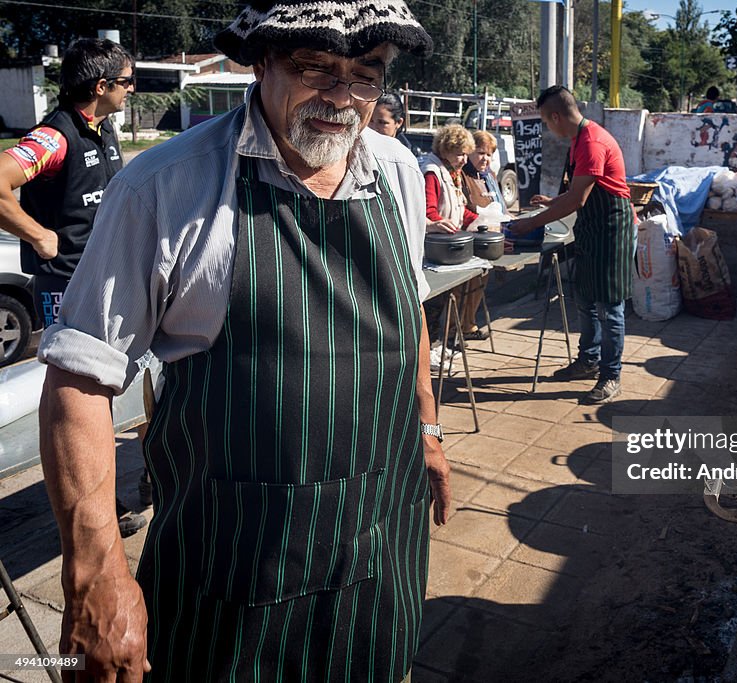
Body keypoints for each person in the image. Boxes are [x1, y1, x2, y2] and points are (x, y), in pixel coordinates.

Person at [36, 1, 452, 680]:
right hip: (237, 563)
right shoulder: (166, 185)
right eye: (314, 67)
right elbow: (80, 379)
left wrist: (428, 429)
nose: (341, 98)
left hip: (382, 542)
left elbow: (408, 312)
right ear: (260, 60)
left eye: (366, 73)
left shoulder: (397, 169)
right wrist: (95, 574)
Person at [0, 37, 147, 538]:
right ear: (102, 86)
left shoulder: (101, 129)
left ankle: (154, 476)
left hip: (108, 276)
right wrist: (39, 234)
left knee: (139, 382)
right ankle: (95, 512)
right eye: (128, 82)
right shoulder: (55, 137)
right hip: (68, 285)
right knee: (82, 403)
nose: (133, 90)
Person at [505, 85, 636, 405]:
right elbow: (580, 190)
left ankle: (610, 375)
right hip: (591, 229)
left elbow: (579, 198)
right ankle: (588, 361)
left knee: (609, 306)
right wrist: (553, 201)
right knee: (585, 299)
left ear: (555, 116)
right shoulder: (579, 138)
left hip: (611, 229)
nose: (549, 129)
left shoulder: (592, 142)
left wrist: (530, 223)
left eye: (547, 123)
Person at [420, 123, 490, 341]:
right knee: (434, 302)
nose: (464, 160)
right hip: (435, 248)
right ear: (445, 149)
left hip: (449, 245)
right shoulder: (432, 173)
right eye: (460, 154)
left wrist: (481, 221)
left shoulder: (452, 172)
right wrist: (442, 224)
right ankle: (432, 345)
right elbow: (428, 210)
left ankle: (445, 340)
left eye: (465, 155)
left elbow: (459, 209)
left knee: (449, 297)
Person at [463, 129, 507, 214]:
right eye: (481, 153)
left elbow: (504, 210)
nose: (485, 158)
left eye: (489, 155)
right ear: (469, 152)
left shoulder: (491, 176)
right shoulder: (462, 175)